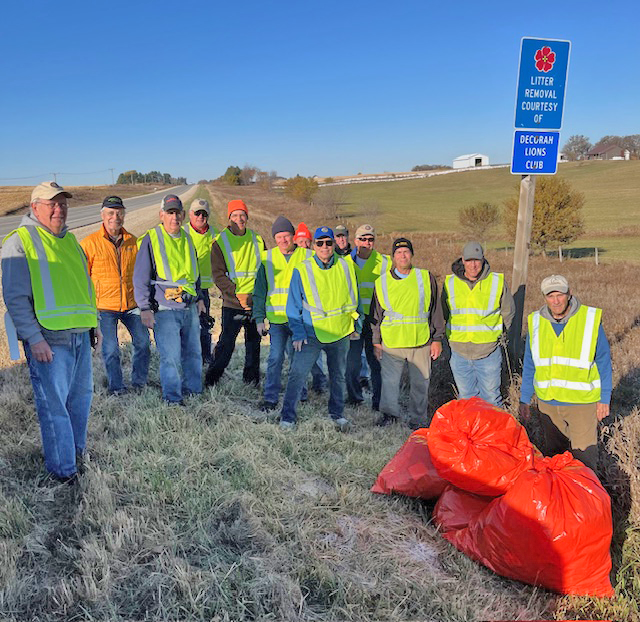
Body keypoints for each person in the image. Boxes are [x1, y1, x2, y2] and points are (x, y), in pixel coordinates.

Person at [2, 181, 98, 483]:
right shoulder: (19, 241)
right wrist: (34, 338)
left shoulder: (70, 241)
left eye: (63, 203)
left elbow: (83, 285)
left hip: (80, 334)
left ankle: (76, 455)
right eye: (52, 204)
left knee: (81, 400)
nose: (60, 209)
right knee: (54, 407)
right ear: (35, 208)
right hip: (49, 339)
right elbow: (15, 298)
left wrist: (93, 326)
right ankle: (63, 470)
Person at [519, 275, 612, 473]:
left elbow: (603, 360)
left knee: (584, 460)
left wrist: (604, 398)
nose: (556, 300)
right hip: (548, 404)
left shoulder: (588, 320)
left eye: (559, 294)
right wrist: (524, 399)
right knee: (554, 458)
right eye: (550, 295)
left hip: (581, 403)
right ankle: (561, 500)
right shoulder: (536, 322)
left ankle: (587, 501)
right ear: (544, 298)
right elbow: (530, 363)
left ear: (569, 294)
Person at [279, 226, 363, 429]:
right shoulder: (303, 269)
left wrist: (356, 325)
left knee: (338, 376)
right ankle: (287, 417)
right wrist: (298, 333)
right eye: (320, 243)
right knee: (297, 374)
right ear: (314, 246)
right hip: (311, 332)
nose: (325, 247)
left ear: (334, 244)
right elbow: (293, 306)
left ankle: (337, 414)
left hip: (340, 331)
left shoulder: (346, 266)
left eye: (328, 242)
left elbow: (355, 298)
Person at [133, 194, 205, 404]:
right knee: (171, 357)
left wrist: (199, 297)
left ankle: (193, 391)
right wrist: (145, 308)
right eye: (170, 213)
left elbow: (194, 272)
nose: (175, 218)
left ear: (183, 215)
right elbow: (140, 276)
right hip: (164, 309)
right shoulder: (152, 238)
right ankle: (173, 398)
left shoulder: (187, 238)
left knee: (193, 353)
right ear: (161, 215)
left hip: (189, 307)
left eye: (177, 213)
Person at [371, 238, 445, 427]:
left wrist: (437, 339)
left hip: (420, 340)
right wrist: (376, 342)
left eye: (406, 251)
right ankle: (389, 416)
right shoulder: (382, 282)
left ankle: (417, 420)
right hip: (392, 342)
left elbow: (436, 309)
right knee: (389, 383)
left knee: (421, 384)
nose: (402, 255)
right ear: (393, 257)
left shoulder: (425, 277)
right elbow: (376, 315)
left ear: (411, 254)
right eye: (398, 252)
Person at [81, 195, 150, 395]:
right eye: (111, 213)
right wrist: (90, 312)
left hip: (132, 304)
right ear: (103, 215)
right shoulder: (89, 244)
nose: (115, 217)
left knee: (143, 343)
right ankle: (116, 387)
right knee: (110, 349)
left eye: (119, 213)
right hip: (104, 307)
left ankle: (139, 383)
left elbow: (142, 274)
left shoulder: (133, 242)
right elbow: (83, 279)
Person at [442, 242, 515, 406]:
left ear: (483, 260)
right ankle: (472, 432)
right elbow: (444, 313)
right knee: (466, 399)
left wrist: (497, 336)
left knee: (491, 399)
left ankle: (492, 432)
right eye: (469, 261)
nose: (473, 265)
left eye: (477, 260)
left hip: (488, 352)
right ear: (463, 260)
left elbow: (508, 313)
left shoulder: (496, 282)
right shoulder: (450, 283)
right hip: (459, 352)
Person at [252, 216, 313, 410]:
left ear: (293, 236)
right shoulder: (267, 258)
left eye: (286, 236)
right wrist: (259, 318)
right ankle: (270, 397)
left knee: (298, 359)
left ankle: (300, 394)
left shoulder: (307, 256)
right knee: (275, 358)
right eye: (278, 237)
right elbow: (260, 291)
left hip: (299, 319)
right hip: (277, 320)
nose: (283, 241)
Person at [206, 199, 265, 386]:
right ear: (229, 218)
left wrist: (257, 296)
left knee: (254, 345)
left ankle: (251, 382)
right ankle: (211, 380)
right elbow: (218, 275)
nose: (239, 218)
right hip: (233, 303)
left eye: (242, 215)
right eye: (235, 215)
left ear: (247, 217)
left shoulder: (257, 239)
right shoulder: (220, 242)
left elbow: (264, 270)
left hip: (255, 303)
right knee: (226, 344)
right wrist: (236, 295)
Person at [345, 224, 390, 410]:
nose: (366, 243)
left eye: (370, 239)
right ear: (355, 241)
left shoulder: (385, 262)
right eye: (362, 239)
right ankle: (355, 398)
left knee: (377, 364)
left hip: (375, 322)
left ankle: (378, 403)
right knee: (352, 364)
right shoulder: (345, 262)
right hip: (354, 321)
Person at [184, 198, 218, 364]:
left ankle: (206, 359)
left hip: (203, 290)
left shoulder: (216, 235)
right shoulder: (182, 233)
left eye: (204, 214)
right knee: (183, 326)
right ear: (190, 214)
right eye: (197, 213)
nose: (200, 217)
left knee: (203, 326)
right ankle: (186, 358)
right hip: (182, 289)